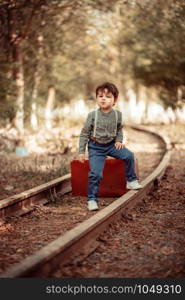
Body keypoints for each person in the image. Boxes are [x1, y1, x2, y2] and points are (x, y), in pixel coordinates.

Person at [78, 82, 142, 211]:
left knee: (129, 155)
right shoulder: (93, 115)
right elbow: (84, 133)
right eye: (100, 96)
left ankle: (131, 180)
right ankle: (92, 199)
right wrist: (81, 151)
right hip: (95, 147)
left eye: (108, 96)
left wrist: (119, 140)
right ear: (96, 98)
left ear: (115, 100)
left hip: (112, 145)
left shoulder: (118, 115)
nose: (103, 99)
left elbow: (119, 129)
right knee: (96, 174)